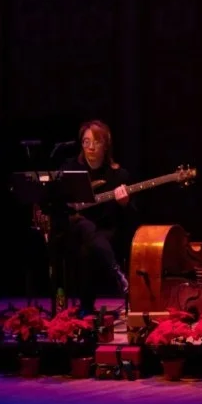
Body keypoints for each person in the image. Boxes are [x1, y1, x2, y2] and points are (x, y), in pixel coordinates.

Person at [57, 120, 136, 314]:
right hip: (73, 231)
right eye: (86, 142)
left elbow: (132, 218)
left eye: (96, 142)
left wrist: (125, 203)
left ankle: (86, 308)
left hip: (106, 233)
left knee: (88, 246)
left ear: (106, 145)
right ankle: (116, 271)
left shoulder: (119, 175)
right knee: (82, 224)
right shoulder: (69, 170)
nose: (90, 147)